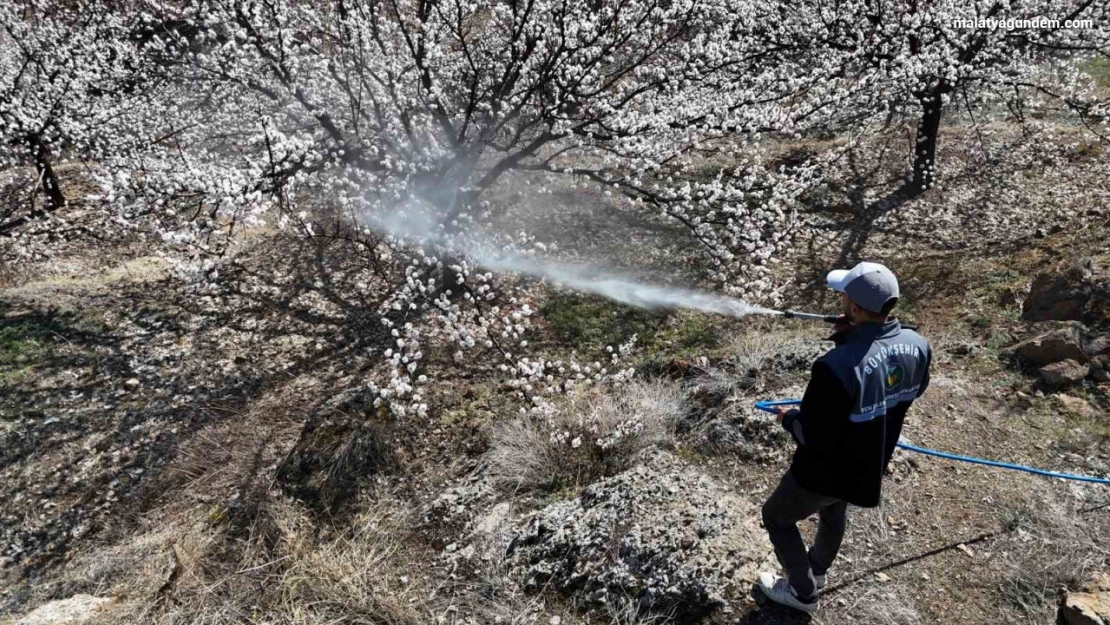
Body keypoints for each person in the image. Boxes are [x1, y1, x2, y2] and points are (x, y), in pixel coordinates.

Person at [755, 262, 932, 613]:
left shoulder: (834, 366)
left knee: (776, 517)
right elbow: (911, 388)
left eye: (844, 296)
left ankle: (803, 593)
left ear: (854, 308)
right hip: (867, 462)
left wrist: (789, 419)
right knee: (835, 511)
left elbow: (813, 436)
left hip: (821, 472)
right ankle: (817, 570)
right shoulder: (918, 344)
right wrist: (853, 337)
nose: (840, 300)